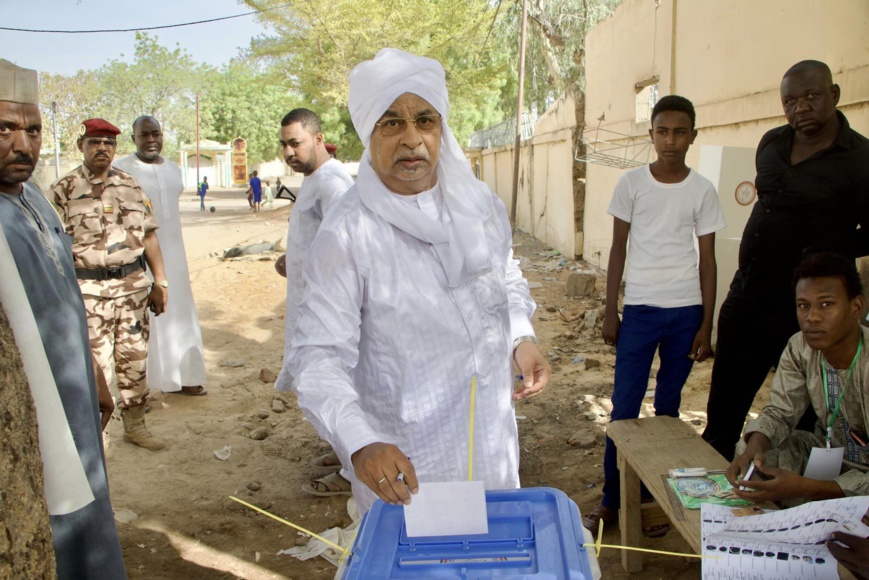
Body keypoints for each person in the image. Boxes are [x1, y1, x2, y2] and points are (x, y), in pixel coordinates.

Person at [287, 48, 550, 514]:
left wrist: (521, 338)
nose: (412, 139)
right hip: (408, 461)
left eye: (424, 120)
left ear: (440, 127)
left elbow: (503, 276)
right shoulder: (348, 231)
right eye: (391, 123)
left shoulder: (478, 204)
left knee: (491, 555)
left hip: (491, 440)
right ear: (368, 132)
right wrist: (361, 443)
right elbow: (318, 357)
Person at [703, 60, 869, 461]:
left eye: (812, 96)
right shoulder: (773, 142)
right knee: (724, 410)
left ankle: (787, 498)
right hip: (748, 296)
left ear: (834, 95)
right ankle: (709, 499)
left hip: (806, 309)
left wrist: (827, 248)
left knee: (803, 417)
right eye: (790, 101)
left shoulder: (860, 158)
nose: (801, 108)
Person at [0, 59, 127, 579]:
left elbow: (65, 297)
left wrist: (95, 374)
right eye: (5, 128)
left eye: (32, 130)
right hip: (25, 417)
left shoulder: (33, 198)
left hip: (72, 394)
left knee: (86, 505)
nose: (23, 145)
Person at [584, 95, 726, 534]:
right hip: (642, 311)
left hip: (685, 313)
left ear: (693, 136)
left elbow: (708, 261)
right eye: (662, 131)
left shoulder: (702, 189)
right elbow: (618, 250)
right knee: (624, 408)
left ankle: (657, 496)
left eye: (680, 132)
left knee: (668, 410)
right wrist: (612, 311)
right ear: (651, 135)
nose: (670, 140)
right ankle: (613, 500)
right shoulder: (631, 184)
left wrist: (706, 323)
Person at [52, 117, 169, 451]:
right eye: (94, 142)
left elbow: (148, 237)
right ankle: (97, 434)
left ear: (116, 148)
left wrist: (160, 282)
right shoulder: (63, 190)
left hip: (131, 290)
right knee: (96, 368)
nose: (102, 148)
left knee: (134, 360)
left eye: (108, 143)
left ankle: (135, 425)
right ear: (81, 146)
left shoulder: (131, 185)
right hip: (87, 294)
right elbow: (51, 249)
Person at [726, 252, 869, 504]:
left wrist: (809, 488)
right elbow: (780, 413)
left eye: (826, 304)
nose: (811, 317)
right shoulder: (799, 347)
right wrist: (754, 448)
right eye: (803, 305)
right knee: (756, 452)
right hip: (831, 454)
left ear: (856, 307)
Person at [273, 108, 355, 497]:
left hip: (330, 306)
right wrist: (295, 257)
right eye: (285, 144)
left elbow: (345, 245)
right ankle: (344, 452)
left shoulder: (333, 182)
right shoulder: (314, 179)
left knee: (335, 379)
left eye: (296, 142)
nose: (289, 151)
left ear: (318, 139)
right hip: (311, 299)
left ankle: (354, 468)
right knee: (322, 378)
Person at [115, 116, 208, 397]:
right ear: (134, 138)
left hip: (175, 255)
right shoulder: (121, 169)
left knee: (180, 309)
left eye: (155, 133)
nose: (151, 139)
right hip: (140, 256)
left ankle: (187, 376)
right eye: (144, 135)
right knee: (149, 316)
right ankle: (149, 384)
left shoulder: (174, 169)